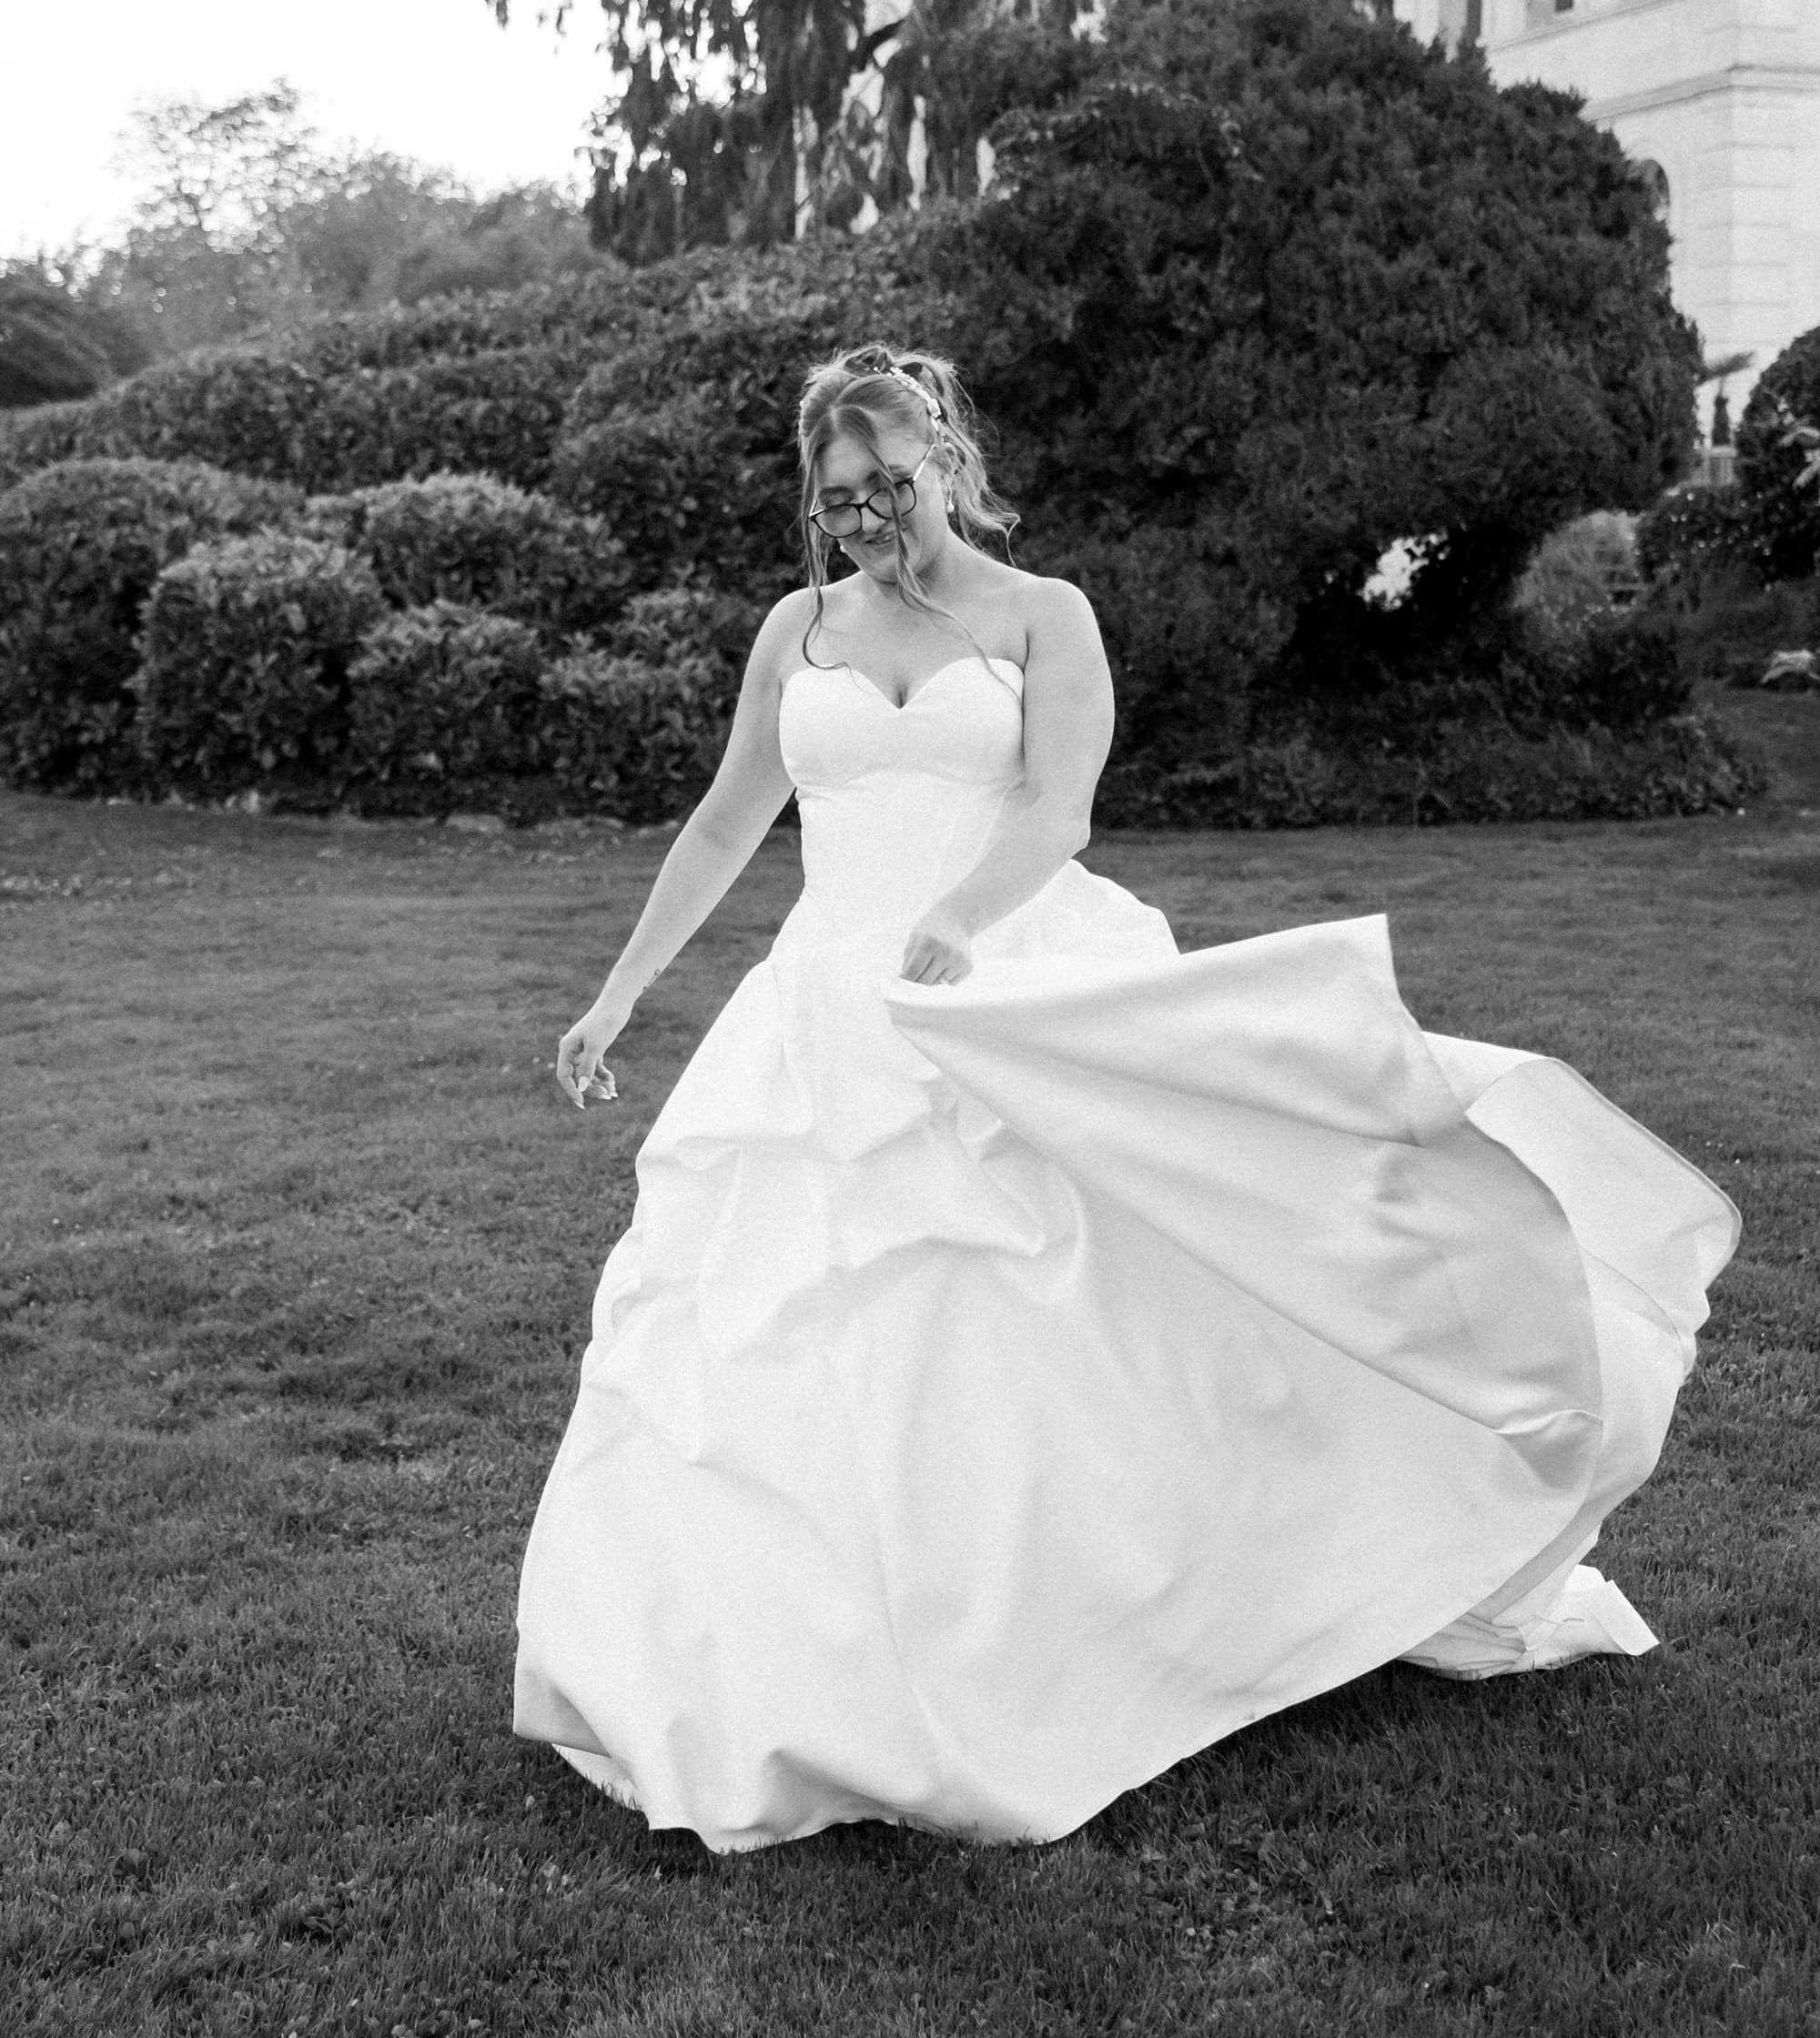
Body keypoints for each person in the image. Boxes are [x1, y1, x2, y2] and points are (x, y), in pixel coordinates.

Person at [514, 340, 1738, 1855]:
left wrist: (966, 913)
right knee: (793, 1335)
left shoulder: (1042, 616)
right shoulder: (796, 630)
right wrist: (621, 989)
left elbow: (1059, 804)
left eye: (886, 489)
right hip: (826, 1011)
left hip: (1002, 979)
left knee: (1062, 1315)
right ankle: (790, 1663)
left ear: (946, 465)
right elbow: (721, 827)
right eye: (837, 503)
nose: (864, 522)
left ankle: (1102, 1617)